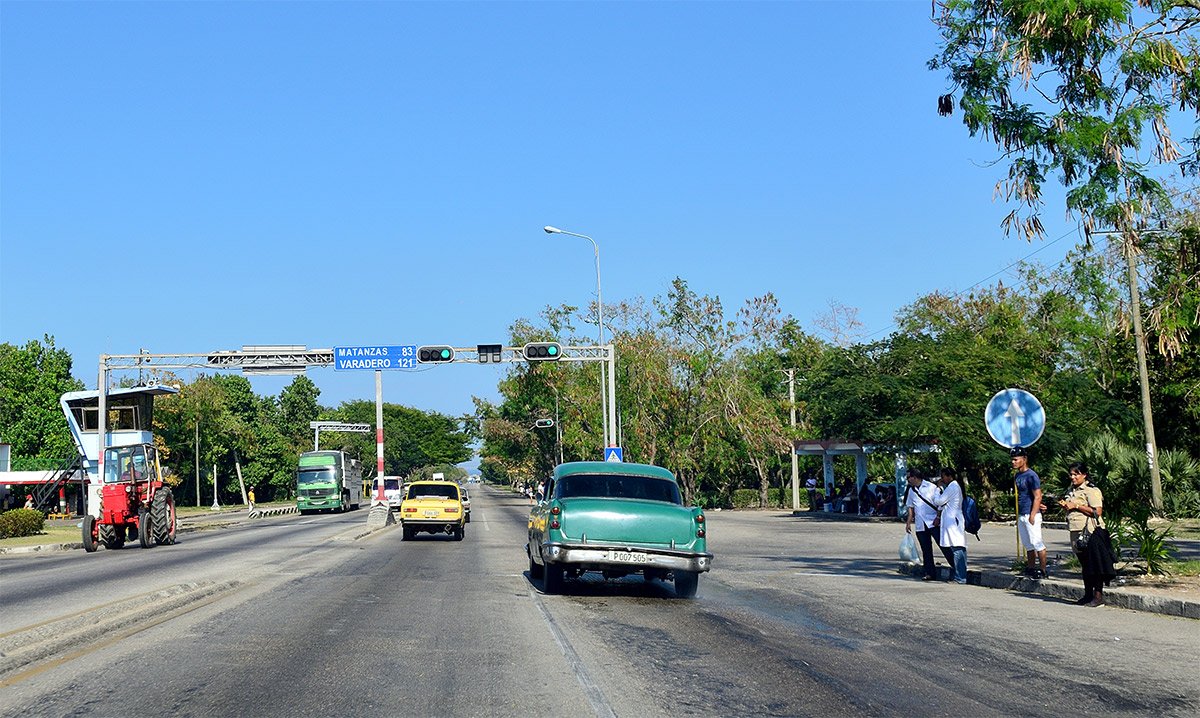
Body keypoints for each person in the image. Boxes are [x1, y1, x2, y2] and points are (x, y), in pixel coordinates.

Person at [1060, 462, 1116, 607]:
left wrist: (1077, 506)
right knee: (1085, 565)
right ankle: (1087, 595)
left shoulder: (1091, 490)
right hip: (1075, 530)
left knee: (1094, 564)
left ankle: (1098, 597)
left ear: (1084, 475)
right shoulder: (1071, 490)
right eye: (1071, 474)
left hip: (1090, 531)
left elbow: (1097, 511)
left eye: (1076, 474)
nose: (1073, 477)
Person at [1012, 447, 1048, 579]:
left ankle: (1043, 570)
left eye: (1016, 459)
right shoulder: (1017, 475)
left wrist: (1033, 514)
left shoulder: (1031, 475)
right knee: (1028, 544)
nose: (1013, 462)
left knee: (1037, 542)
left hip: (1030, 513)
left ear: (1024, 459)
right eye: (1012, 459)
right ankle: (1030, 568)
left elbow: (1038, 496)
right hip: (1022, 513)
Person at [933, 468, 968, 584]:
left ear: (949, 476)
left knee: (957, 548)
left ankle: (960, 577)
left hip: (954, 521)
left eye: (943, 476)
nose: (942, 479)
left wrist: (937, 489)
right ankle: (960, 575)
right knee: (957, 548)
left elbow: (939, 501)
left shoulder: (953, 486)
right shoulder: (954, 486)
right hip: (952, 520)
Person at [904, 468, 940, 581]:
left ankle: (956, 566)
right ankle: (929, 572)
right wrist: (909, 522)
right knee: (926, 549)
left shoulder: (931, 487)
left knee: (943, 545)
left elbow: (939, 504)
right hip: (920, 523)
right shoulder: (911, 490)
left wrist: (938, 517)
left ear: (915, 477)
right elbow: (911, 507)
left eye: (908, 477)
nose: (908, 480)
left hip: (933, 522)